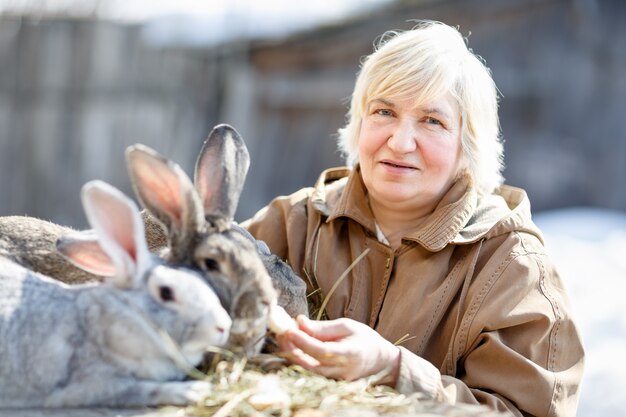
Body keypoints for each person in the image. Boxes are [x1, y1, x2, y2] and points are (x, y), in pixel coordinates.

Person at [243, 20, 584, 416]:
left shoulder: (515, 269)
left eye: (432, 121)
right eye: (384, 111)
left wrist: (393, 370)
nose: (401, 142)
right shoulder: (293, 222)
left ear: (468, 146)